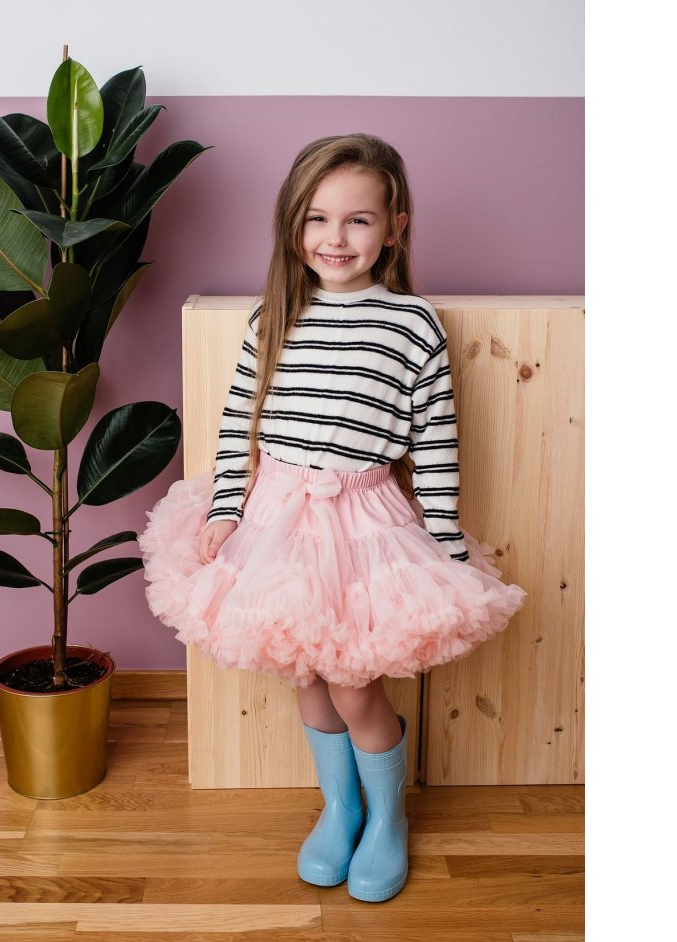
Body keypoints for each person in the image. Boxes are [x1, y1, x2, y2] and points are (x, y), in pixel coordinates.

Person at [139, 133, 527, 903]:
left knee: (354, 685)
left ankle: (388, 818)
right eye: (317, 218)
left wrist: (446, 541)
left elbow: (436, 440)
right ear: (293, 224)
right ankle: (340, 807)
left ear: (395, 228)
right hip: (276, 516)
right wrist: (225, 508)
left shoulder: (411, 324)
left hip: (364, 521)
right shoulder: (275, 316)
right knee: (308, 675)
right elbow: (239, 425)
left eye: (358, 220)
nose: (335, 238)